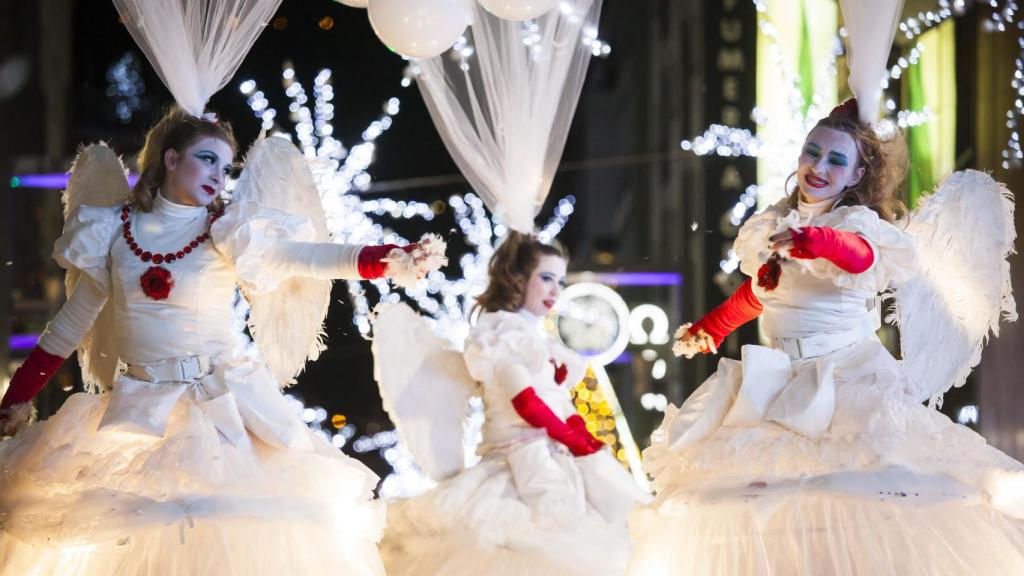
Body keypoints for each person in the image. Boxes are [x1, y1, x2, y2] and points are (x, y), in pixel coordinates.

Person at [0, 107, 441, 575]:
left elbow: (305, 257)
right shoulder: (111, 231)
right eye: (207, 159)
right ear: (170, 159)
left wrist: (385, 259)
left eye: (225, 167)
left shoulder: (228, 230)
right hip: (136, 417)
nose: (218, 174)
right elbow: (68, 326)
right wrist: (17, 398)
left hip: (217, 419)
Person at [627, 99, 1024, 575]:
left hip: (844, 380)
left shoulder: (858, 226)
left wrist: (817, 241)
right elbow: (766, 294)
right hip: (773, 381)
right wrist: (712, 326)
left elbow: (857, 257)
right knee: (762, 503)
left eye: (836, 159)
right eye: (812, 152)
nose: (818, 167)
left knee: (848, 494)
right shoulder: (773, 223)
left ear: (857, 175)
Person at [380, 232, 649, 576]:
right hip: (522, 463)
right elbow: (526, 402)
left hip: (553, 461)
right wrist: (573, 439)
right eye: (546, 278)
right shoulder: (502, 334)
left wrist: (578, 436)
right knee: (542, 547)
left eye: (561, 281)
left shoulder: (539, 341)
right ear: (518, 279)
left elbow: (555, 402)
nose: (555, 289)